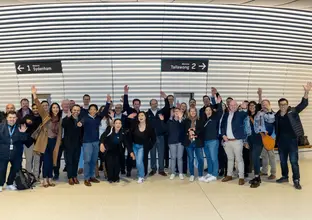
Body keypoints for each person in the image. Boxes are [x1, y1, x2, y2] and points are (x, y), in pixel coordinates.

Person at [275, 82, 311, 190]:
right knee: (282, 161)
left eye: (284, 104)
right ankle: (285, 176)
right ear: (279, 105)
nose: (283, 106)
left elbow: (303, 104)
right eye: (281, 104)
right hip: (281, 142)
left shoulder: (293, 112)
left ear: (287, 104)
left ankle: (296, 180)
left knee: (294, 161)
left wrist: (306, 91)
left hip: (292, 141)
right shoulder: (276, 115)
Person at [31, 86, 63, 188]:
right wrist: (34, 95)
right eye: (53, 107)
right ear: (50, 108)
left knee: (53, 161)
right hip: (45, 141)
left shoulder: (60, 119)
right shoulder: (46, 116)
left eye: (57, 107)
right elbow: (39, 107)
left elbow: (59, 133)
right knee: (46, 161)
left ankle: (50, 179)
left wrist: (58, 143)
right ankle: (45, 179)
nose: (55, 109)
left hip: (54, 142)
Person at [80, 95, 111, 187]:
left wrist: (108, 102)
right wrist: (79, 123)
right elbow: (81, 122)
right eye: (91, 109)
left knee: (94, 160)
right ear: (89, 110)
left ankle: (92, 176)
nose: (93, 111)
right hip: (87, 142)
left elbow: (105, 111)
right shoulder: (85, 117)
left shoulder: (98, 118)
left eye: (95, 109)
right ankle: (86, 178)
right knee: (87, 160)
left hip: (96, 142)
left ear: (97, 111)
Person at [221, 100, 248, 185]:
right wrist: (223, 135)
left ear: (237, 106)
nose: (233, 106)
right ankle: (229, 175)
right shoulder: (225, 115)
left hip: (237, 141)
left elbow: (246, 114)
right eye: (231, 105)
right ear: (228, 106)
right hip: (227, 141)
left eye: (234, 105)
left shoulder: (240, 114)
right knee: (230, 159)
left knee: (239, 159)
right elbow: (222, 126)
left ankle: (241, 177)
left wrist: (244, 108)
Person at [0, 111, 28, 192]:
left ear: (16, 118)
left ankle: (10, 183)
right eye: (10, 117)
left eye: (13, 117)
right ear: (6, 118)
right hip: (3, 153)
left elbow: (24, 140)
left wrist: (23, 133)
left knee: (15, 169)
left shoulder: (20, 127)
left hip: (16, 154)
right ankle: (0, 184)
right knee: (2, 169)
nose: (12, 119)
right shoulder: (1, 127)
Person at [100, 119, 135, 183]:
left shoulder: (123, 132)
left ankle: (116, 177)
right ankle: (110, 178)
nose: (118, 125)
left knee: (117, 165)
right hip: (109, 151)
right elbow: (102, 136)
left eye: (119, 123)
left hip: (118, 151)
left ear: (121, 125)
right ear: (114, 124)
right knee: (110, 165)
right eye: (116, 123)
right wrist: (101, 144)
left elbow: (127, 143)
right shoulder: (109, 130)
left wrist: (131, 152)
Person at [128, 111, 156, 183]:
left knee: (139, 162)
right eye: (139, 116)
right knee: (137, 162)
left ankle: (141, 176)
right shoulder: (134, 126)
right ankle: (141, 173)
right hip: (134, 146)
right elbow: (129, 137)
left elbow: (153, 139)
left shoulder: (149, 127)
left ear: (145, 117)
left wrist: (148, 146)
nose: (140, 117)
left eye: (142, 115)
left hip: (142, 147)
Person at [200, 96, 223, 182]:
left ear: (212, 111)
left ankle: (214, 174)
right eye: (206, 110)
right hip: (205, 141)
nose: (208, 111)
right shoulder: (203, 120)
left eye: (209, 110)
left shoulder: (215, 117)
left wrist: (219, 103)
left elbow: (220, 111)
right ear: (205, 112)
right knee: (208, 158)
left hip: (213, 141)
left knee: (214, 158)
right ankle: (210, 172)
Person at [147, 91, 170, 177]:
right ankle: (153, 169)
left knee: (161, 153)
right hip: (151, 138)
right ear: (150, 105)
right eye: (152, 103)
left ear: (157, 104)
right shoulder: (146, 114)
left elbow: (167, 107)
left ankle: (161, 169)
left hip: (160, 136)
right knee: (152, 154)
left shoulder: (161, 112)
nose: (154, 105)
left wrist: (165, 98)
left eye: (155, 103)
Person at [62, 104, 83, 185]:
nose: (76, 112)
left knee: (76, 161)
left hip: (77, 144)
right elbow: (63, 125)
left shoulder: (81, 120)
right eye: (74, 110)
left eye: (78, 110)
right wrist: (68, 117)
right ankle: (70, 177)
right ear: (71, 110)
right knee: (69, 161)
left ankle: (75, 176)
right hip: (68, 144)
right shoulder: (66, 119)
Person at [183, 107, 204, 182]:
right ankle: (192, 174)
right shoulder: (186, 121)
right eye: (191, 111)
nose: (193, 112)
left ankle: (200, 175)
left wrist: (195, 132)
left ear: (196, 112)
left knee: (200, 159)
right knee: (191, 159)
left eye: (194, 111)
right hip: (189, 143)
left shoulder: (200, 120)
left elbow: (202, 130)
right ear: (189, 112)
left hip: (198, 142)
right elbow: (183, 130)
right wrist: (188, 131)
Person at [22, 103, 42, 177]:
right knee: (28, 161)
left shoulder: (42, 118)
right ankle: (28, 177)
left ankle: (36, 177)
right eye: (34, 108)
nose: (35, 109)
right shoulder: (28, 116)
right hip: (28, 142)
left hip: (39, 142)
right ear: (32, 109)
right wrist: (26, 121)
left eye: (37, 108)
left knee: (37, 160)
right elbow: (20, 122)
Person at [246, 101, 263, 188]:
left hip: (258, 140)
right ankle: (257, 176)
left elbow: (259, 127)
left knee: (255, 157)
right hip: (250, 140)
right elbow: (246, 130)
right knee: (253, 158)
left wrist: (252, 120)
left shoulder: (259, 115)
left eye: (253, 105)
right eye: (250, 105)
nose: (251, 107)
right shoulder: (247, 116)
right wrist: (246, 141)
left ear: (256, 107)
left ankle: (257, 177)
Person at [53, 99, 71, 180]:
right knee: (57, 157)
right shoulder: (58, 113)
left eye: (68, 104)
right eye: (65, 104)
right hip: (58, 139)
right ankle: (56, 173)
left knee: (68, 157)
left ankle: (69, 174)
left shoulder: (73, 114)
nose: (66, 106)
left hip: (68, 140)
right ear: (62, 105)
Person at [167, 108, 184, 180]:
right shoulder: (170, 121)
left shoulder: (182, 121)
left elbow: (183, 129)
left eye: (178, 111)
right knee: (173, 158)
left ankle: (180, 173)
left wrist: (180, 119)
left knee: (179, 158)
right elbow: (167, 129)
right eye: (175, 111)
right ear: (173, 113)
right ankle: (173, 172)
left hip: (180, 142)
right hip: (172, 142)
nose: (176, 112)